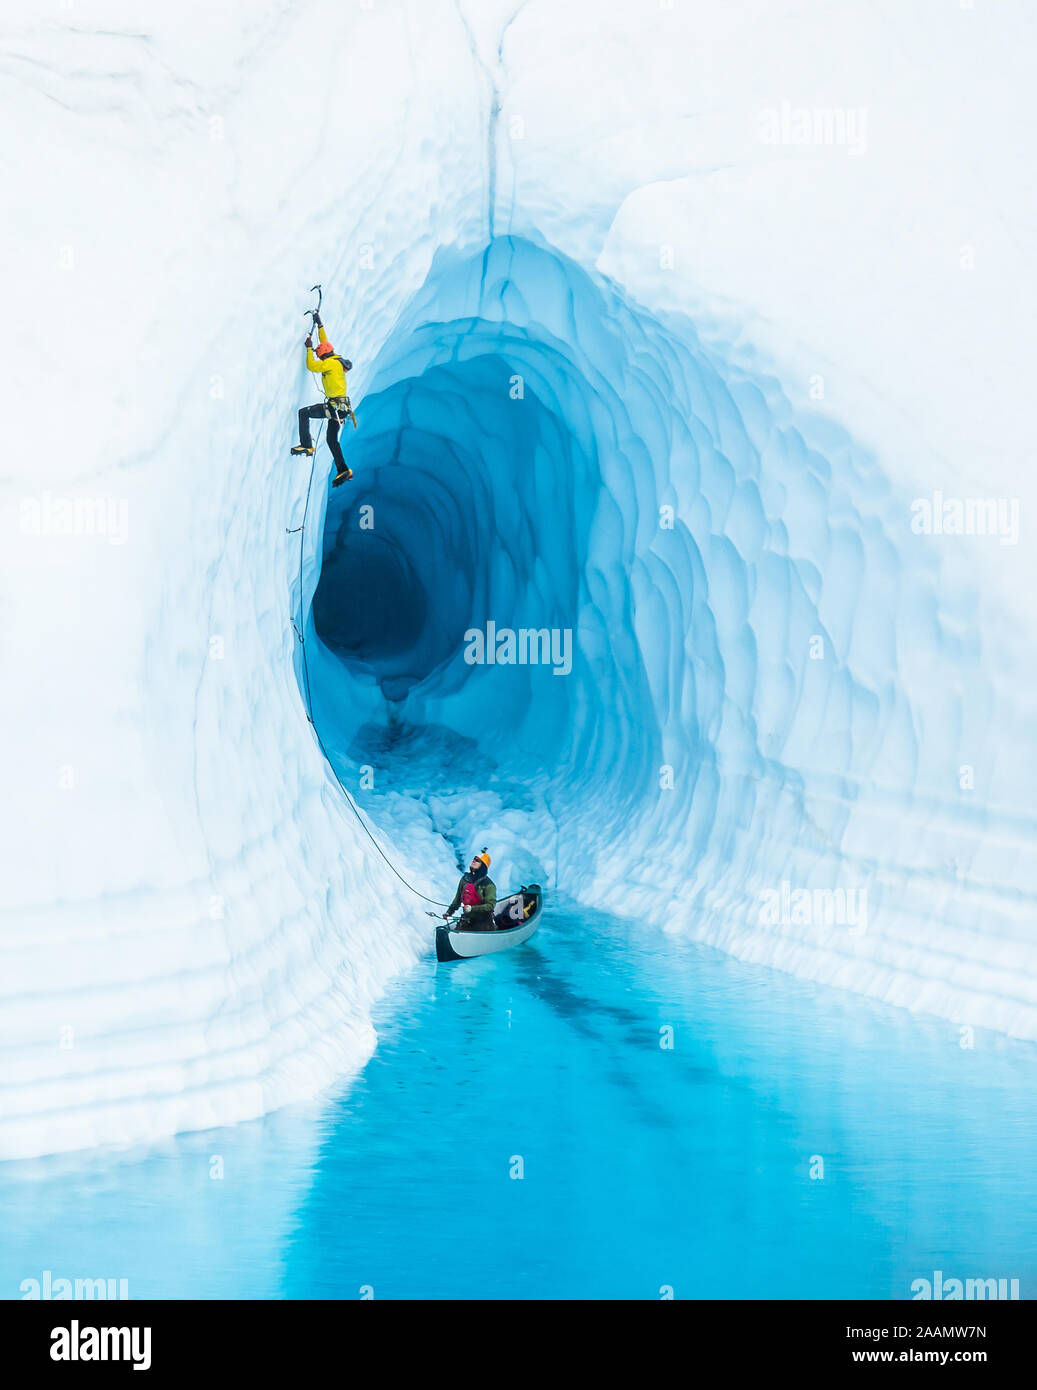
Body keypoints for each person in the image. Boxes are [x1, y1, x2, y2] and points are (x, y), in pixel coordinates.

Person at [291, 315, 356, 486]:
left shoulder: (328, 363)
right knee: (331, 439)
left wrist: (308, 349)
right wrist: (320, 324)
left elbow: (311, 366)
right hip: (340, 409)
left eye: (320, 356)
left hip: (334, 407)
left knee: (303, 413)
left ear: (324, 356)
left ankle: (306, 445)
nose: (320, 359)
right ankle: (343, 470)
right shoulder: (336, 359)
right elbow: (325, 342)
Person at [444, 849, 497, 930]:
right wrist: (449, 912)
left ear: (483, 865)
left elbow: (490, 905)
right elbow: (457, 899)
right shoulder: (465, 879)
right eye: (474, 859)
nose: (473, 861)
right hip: (467, 918)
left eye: (477, 860)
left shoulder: (489, 885)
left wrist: (472, 908)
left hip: (483, 922)